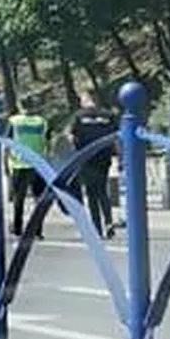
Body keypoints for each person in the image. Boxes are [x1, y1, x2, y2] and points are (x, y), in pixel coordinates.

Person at [69, 91, 119, 238]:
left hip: (86, 157)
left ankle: (97, 228)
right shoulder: (108, 115)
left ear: (86, 99)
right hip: (104, 157)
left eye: (82, 99)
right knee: (102, 191)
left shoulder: (79, 116)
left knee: (91, 194)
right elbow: (116, 137)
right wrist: (118, 156)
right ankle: (109, 222)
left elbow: (72, 137)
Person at [6, 95, 50, 239]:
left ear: (20, 105)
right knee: (39, 199)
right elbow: (47, 143)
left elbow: (7, 144)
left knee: (19, 198)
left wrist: (5, 163)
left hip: (19, 164)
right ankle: (37, 230)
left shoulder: (14, 121)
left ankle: (18, 228)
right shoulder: (41, 122)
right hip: (38, 164)